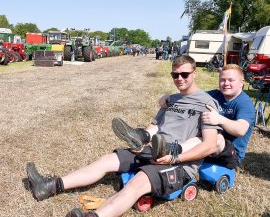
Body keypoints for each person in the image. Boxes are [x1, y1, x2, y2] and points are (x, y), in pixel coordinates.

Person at [26, 55, 221, 217]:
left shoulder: (206, 103)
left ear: (194, 73)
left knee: (136, 183)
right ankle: (49, 186)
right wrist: (142, 139)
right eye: (175, 74)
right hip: (154, 149)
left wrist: (175, 157)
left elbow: (209, 145)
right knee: (106, 160)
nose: (180, 78)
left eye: (184, 74)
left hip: (178, 161)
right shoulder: (172, 99)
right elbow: (154, 127)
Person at [156, 64, 255, 168]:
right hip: (205, 148)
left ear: (241, 83)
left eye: (231, 80)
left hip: (228, 154)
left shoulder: (245, 103)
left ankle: (172, 150)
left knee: (216, 138)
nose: (226, 83)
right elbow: (191, 96)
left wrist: (219, 119)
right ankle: (167, 148)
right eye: (222, 80)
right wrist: (169, 97)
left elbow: (241, 130)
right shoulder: (214, 95)